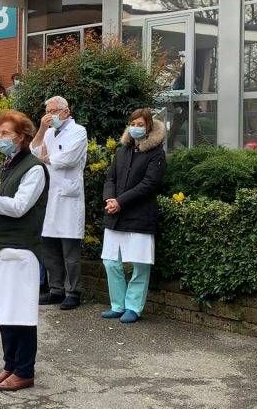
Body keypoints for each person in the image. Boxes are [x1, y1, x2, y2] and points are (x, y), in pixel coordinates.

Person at [0, 110, 47, 392]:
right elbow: (0, 202)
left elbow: (19, 207)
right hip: (1, 249)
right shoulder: (7, 166)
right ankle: (10, 365)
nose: (0, 138)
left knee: (20, 313)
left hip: (21, 250)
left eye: (6, 133)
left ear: (22, 136)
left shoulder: (34, 169)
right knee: (4, 311)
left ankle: (24, 371)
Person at [101, 108, 167, 324]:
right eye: (133, 124)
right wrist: (110, 199)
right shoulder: (122, 151)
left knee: (140, 264)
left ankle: (133, 307)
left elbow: (149, 184)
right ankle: (117, 305)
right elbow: (110, 178)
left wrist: (121, 202)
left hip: (140, 215)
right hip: (116, 215)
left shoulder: (156, 154)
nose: (136, 128)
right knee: (111, 262)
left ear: (148, 127)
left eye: (140, 125)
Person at [31, 96, 88, 310]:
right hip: (49, 194)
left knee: (70, 250)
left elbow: (69, 158)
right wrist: (41, 129)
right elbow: (34, 151)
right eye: (47, 111)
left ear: (66, 111)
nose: (50, 115)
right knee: (49, 247)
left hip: (68, 197)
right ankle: (56, 289)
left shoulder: (78, 131)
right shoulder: (47, 132)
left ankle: (73, 292)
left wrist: (47, 158)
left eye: (53, 111)